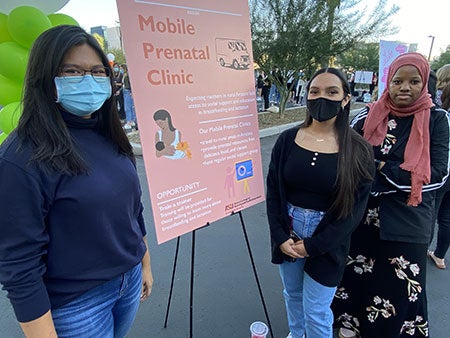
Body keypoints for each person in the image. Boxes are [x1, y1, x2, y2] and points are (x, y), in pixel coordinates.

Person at [0, 25, 153, 338]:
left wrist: (144, 262)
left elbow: (131, 210)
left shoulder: (107, 132)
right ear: (45, 76)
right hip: (77, 305)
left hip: (129, 281)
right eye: (72, 71)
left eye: (98, 71)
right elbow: (20, 266)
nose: (90, 80)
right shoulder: (20, 157)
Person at [333, 53, 449, 338]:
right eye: (397, 81)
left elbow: (438, 175)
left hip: (407, 223)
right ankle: (351, 326)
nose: (404, 87)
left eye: (413, 81)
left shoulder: (437, 119)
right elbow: (345, 155)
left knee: (398, 286)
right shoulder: (368, 114)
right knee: (356, 277)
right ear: (388, 83)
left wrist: (381, 167)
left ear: (425, 84)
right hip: (361, 217)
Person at [266, 67, 374, 338]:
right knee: (292, 294)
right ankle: (296, 334)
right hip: (289, 232)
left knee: (316, 308)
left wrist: (315, 245)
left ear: (346, 99)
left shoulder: (358, 149)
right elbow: (274, 192)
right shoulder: (287, 139)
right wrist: (280, 236)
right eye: (315, 91)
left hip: (328, 239)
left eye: (332, 92)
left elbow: (354, 211)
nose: (321, 98)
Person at [428, 81, 450, 270]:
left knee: (431, 213)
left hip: (441, 172)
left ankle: (422, 250)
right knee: (447, 217)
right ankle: (440, 255)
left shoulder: (440, 117)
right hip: (443, 170)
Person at [122, 64, 137, 130]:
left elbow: (131, 85)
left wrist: (131, 92)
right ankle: (131, 120)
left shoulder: (129, 76)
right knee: (130, 107)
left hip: (128, 91)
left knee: (128, 107)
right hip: (126, 91)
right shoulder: (127, 75)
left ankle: (129, 121)